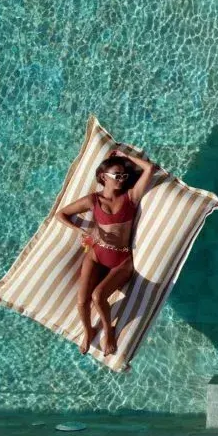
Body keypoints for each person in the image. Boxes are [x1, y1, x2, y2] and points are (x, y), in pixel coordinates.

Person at [55, 147, 154, 355]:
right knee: (82, 302)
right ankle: (88, 330)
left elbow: (149, 169)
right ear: (103, 177)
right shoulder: (93, 200)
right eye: (117, 175)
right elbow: (61, 214)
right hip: (96, 254)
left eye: (124, 175)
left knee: (98, 296)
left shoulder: (130, 197)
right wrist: (79, 230)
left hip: (121, 259)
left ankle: (109, 329)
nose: (121, 179)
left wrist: (125, 156)